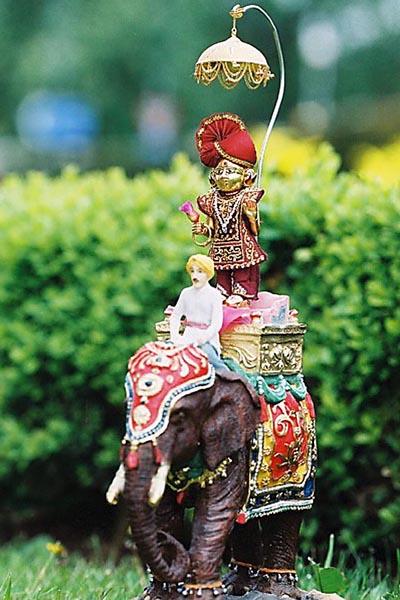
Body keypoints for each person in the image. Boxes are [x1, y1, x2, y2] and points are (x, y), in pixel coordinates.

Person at [191, 112, 267, 305]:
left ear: (246, 177)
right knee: (222, 271)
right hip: (220, 246)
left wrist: (251, 214)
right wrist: (203, 230)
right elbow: (212, 228)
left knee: (242, 270)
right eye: (220, 171)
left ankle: (241, 292)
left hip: (242, 245)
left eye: (231, 171)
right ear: (213, 177)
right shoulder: (211, 200)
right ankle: (223, 291)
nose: (225, 176)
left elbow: (256, 229)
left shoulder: (246, 197)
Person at [169, 254, 227, 370]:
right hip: (186, 338)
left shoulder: (214, 295)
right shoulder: (186, 293)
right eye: (192, 271)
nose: (195, 276)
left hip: (207, 340)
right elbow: (175, 317)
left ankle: (229, 378)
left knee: (208, 356)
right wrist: (175, 336)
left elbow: (216, 324)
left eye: (200, 272)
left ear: (208, 274)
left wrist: (202, 338)